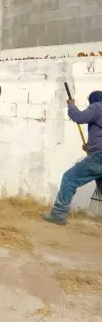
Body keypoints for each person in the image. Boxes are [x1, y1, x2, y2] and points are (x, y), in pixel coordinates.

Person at [43, 91, 102, 225]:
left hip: (99, 156)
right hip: (98, 154)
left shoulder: (97, 106)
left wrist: (71, 105)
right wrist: (91, 147)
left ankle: (58, 214)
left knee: (69, 178)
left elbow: (78, 117)